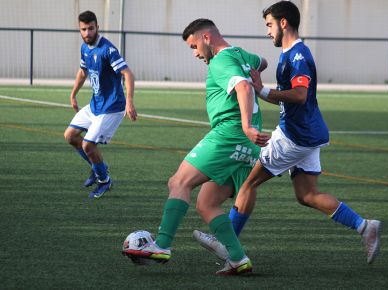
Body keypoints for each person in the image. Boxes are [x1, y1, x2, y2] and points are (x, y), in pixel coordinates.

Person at [194, 1, 382, 265]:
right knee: (307, 195)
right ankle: (365, 226)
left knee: (248, 182)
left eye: (269, 25)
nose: (268, 31)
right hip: (307, 134)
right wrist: (263, 90)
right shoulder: (289, 54)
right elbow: (289, 98)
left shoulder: (298, 55)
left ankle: (227, 245)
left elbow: (300, 95)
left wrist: (262, 91)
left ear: (284, 23)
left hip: (296, 135)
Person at [122, 18, 270, 275]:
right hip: (247, 148)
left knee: (178, 182)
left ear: (206, 38)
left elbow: (244, 87)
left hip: (229, 134)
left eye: (194, 46)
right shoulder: (241, 55)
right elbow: (262, 62)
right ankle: (237, 258)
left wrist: (246, 124)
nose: (195, 54)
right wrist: (253, 73)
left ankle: (163, 245)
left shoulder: (222, 60)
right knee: (206, 202)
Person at [64, 10, 137, 198]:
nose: (87, 33)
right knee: (70, 136)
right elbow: (82, 72)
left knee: (88, 146)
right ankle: (98, 168)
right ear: (79, 30)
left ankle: (105, 181)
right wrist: (73, 94)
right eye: (83, 29)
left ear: (97, 27)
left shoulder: (108, 50)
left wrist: (129, 101)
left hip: (112, 107)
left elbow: (127, 74)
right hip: (95, 105)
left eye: (91, 28)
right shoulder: (84, 48)